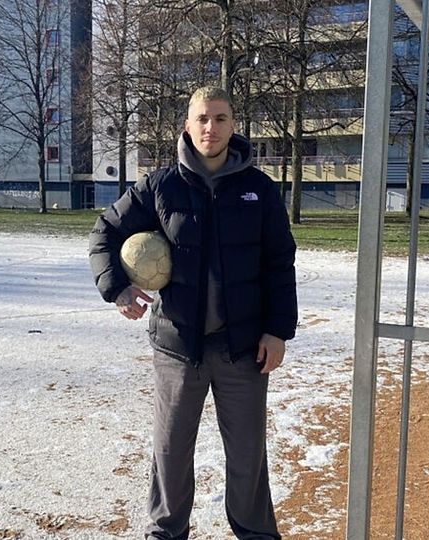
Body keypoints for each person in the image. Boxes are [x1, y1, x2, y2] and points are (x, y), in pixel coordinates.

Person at [89, 86, 297, 540]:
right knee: (170, 452)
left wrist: (277, 331)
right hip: (178, 347)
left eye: (220, 119)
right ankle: (165, 532)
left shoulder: (258, 190)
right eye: (202, 118)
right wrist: (117, 289)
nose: (211, 127)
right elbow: (104, 231)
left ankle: (256, 533)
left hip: (243, 350)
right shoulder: (160, 185)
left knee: (247, 455)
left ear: (233, 125)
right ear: (187, 125)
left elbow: (279, 264)